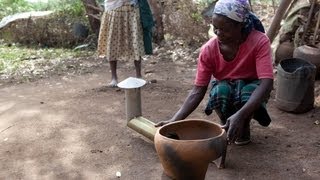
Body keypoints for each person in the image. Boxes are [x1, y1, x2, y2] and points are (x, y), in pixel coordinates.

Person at [155, 0, 274, 146]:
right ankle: (226, 121)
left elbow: (266, 83)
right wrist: (174, 121)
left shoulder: (260, 41)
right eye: (215, 27)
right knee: (220, 91)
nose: (218, 33)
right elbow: (198, 91)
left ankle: (243, 121)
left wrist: (241, 116)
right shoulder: (209, 50)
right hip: (226, 85)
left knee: (248, 92)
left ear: (240, 25)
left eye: (224, 29)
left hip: (252, 86)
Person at [97, 0, 153, 87]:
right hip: (114, 10)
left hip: (131, 10)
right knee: (112, 42)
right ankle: (114, 78)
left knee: (135, 42)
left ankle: (139, 76)